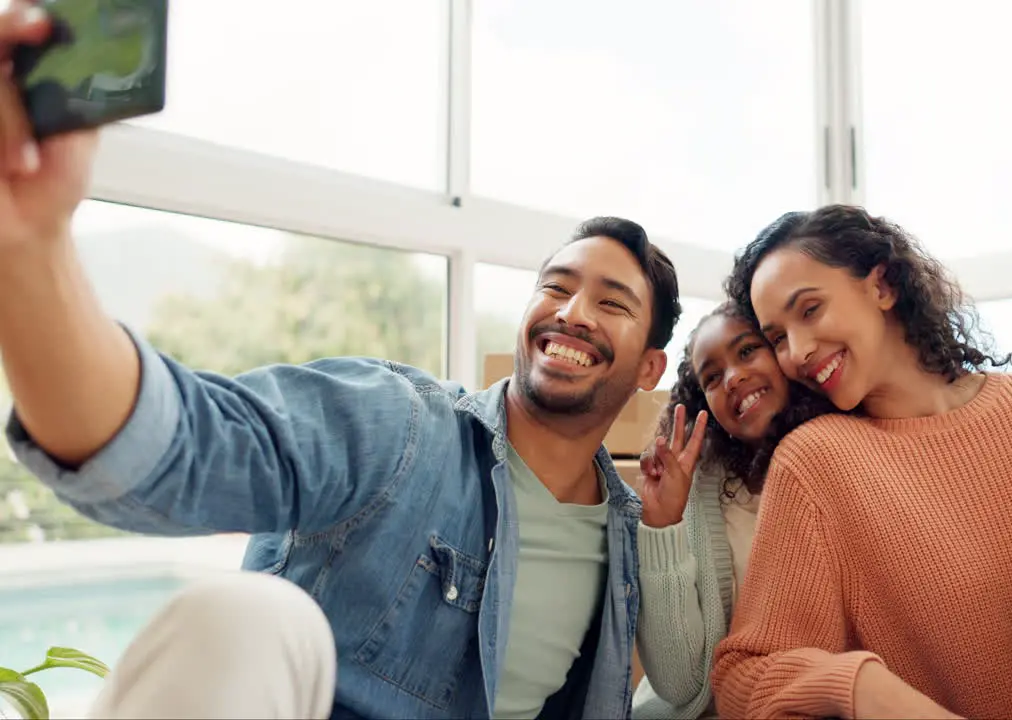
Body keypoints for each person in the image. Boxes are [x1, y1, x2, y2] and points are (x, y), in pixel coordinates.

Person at [0, 6, 677, 718]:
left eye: (611, 303)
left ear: (648, 369)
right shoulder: (404, 427)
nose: (571, 313)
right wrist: (30, 243)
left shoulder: (624, 538)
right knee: (249, 616)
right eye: (556, 287)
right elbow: (178, 449)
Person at [631, 213, 1012, 720]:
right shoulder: (815, 463)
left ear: (882, 284)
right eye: (778, 337)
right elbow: (746, 676)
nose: (796, 353)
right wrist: (859, 686)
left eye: (811, 310)